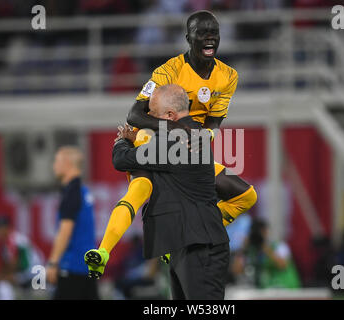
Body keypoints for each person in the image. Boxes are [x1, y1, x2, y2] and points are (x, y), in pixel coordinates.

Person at [84, 10, 257, 280]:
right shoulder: (169, 70)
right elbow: (135, 114)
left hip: (190, 150)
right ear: (188, 37)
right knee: (140, 189)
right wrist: (180, 129)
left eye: (214, 32)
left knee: (246, 196)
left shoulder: (228, 76)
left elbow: (214, 123)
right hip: (156, 137)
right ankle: (103, 252)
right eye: (203, 32)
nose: (210, 37)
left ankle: (181, 236)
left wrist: (200, 139)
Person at [87, 84, 230, 299]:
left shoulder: (178, 141)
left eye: (152, 115)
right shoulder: (188, 136)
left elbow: (121, 159)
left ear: (170, 115)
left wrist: (122, 140)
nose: (148, 120)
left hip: (199, 246)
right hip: (188, 243)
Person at [47, 146, 98, 300]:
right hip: (87, 266)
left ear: (67, 163)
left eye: (56, 161)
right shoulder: (83, 191)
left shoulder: (72, 192)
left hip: (72, 266)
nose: (53, 166)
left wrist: (53, 262)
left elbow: (65, 230)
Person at [0, 215, 43, 300]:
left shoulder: (13, 239)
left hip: (35, 274)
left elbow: (14, 264)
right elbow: (7, 266)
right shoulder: (6, 243)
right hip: (28, 272)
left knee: (2, 284)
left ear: (6, 227)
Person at [239, 218, 301, 289]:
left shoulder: (279, 246)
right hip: (268, 290)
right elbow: (237, 270)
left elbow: (282, 265)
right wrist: (243, 249)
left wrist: (265, 247)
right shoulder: (252, 251)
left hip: (287, 288)